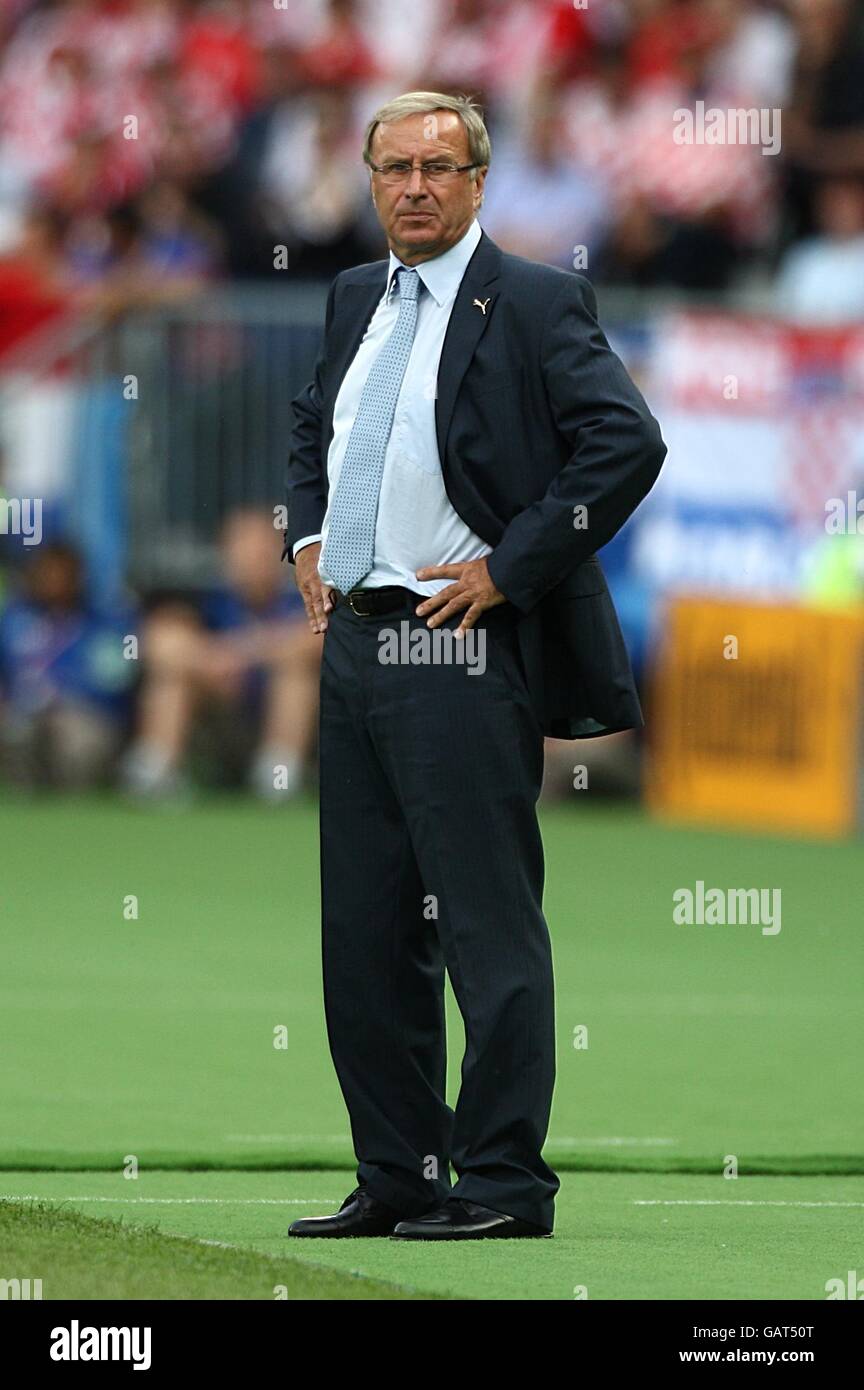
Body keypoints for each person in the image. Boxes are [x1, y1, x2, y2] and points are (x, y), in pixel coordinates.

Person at [284, 91, 666, 1240]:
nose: (415, 187)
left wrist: (514, 565)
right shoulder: (355, 294)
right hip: (356, 639)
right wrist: (306, 536)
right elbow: (318, 426)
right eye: (394, 167)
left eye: (439, 168)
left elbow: (628, 441)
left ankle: (502, 1182)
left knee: (485, 926)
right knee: (363, 929)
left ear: (480, 181)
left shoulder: (540, 301)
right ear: (368, 178)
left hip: (458, 641)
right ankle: (398, 1171)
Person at [122, 509, 319, 801]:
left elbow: (316, 640)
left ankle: (277, 778)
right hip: (217, 719)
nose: (255, 560)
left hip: (277, 720)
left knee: (297, 676)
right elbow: (158, 642)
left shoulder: (300, 596)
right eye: (245, 550)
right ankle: (157, 771)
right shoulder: (206, 600)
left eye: (264, 550)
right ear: (227, 554)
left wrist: (241, 653)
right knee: (172, 679)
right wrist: (210, 661)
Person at [0, 541, 133, 788]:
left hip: (84, 713)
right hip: (23, 711)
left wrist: (65, 695)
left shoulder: (110, 622)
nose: (54, 581)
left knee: (79, 748)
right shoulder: (12, 619)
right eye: (47, 573)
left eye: (61, 573)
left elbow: (123, 676)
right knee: (16, 733)